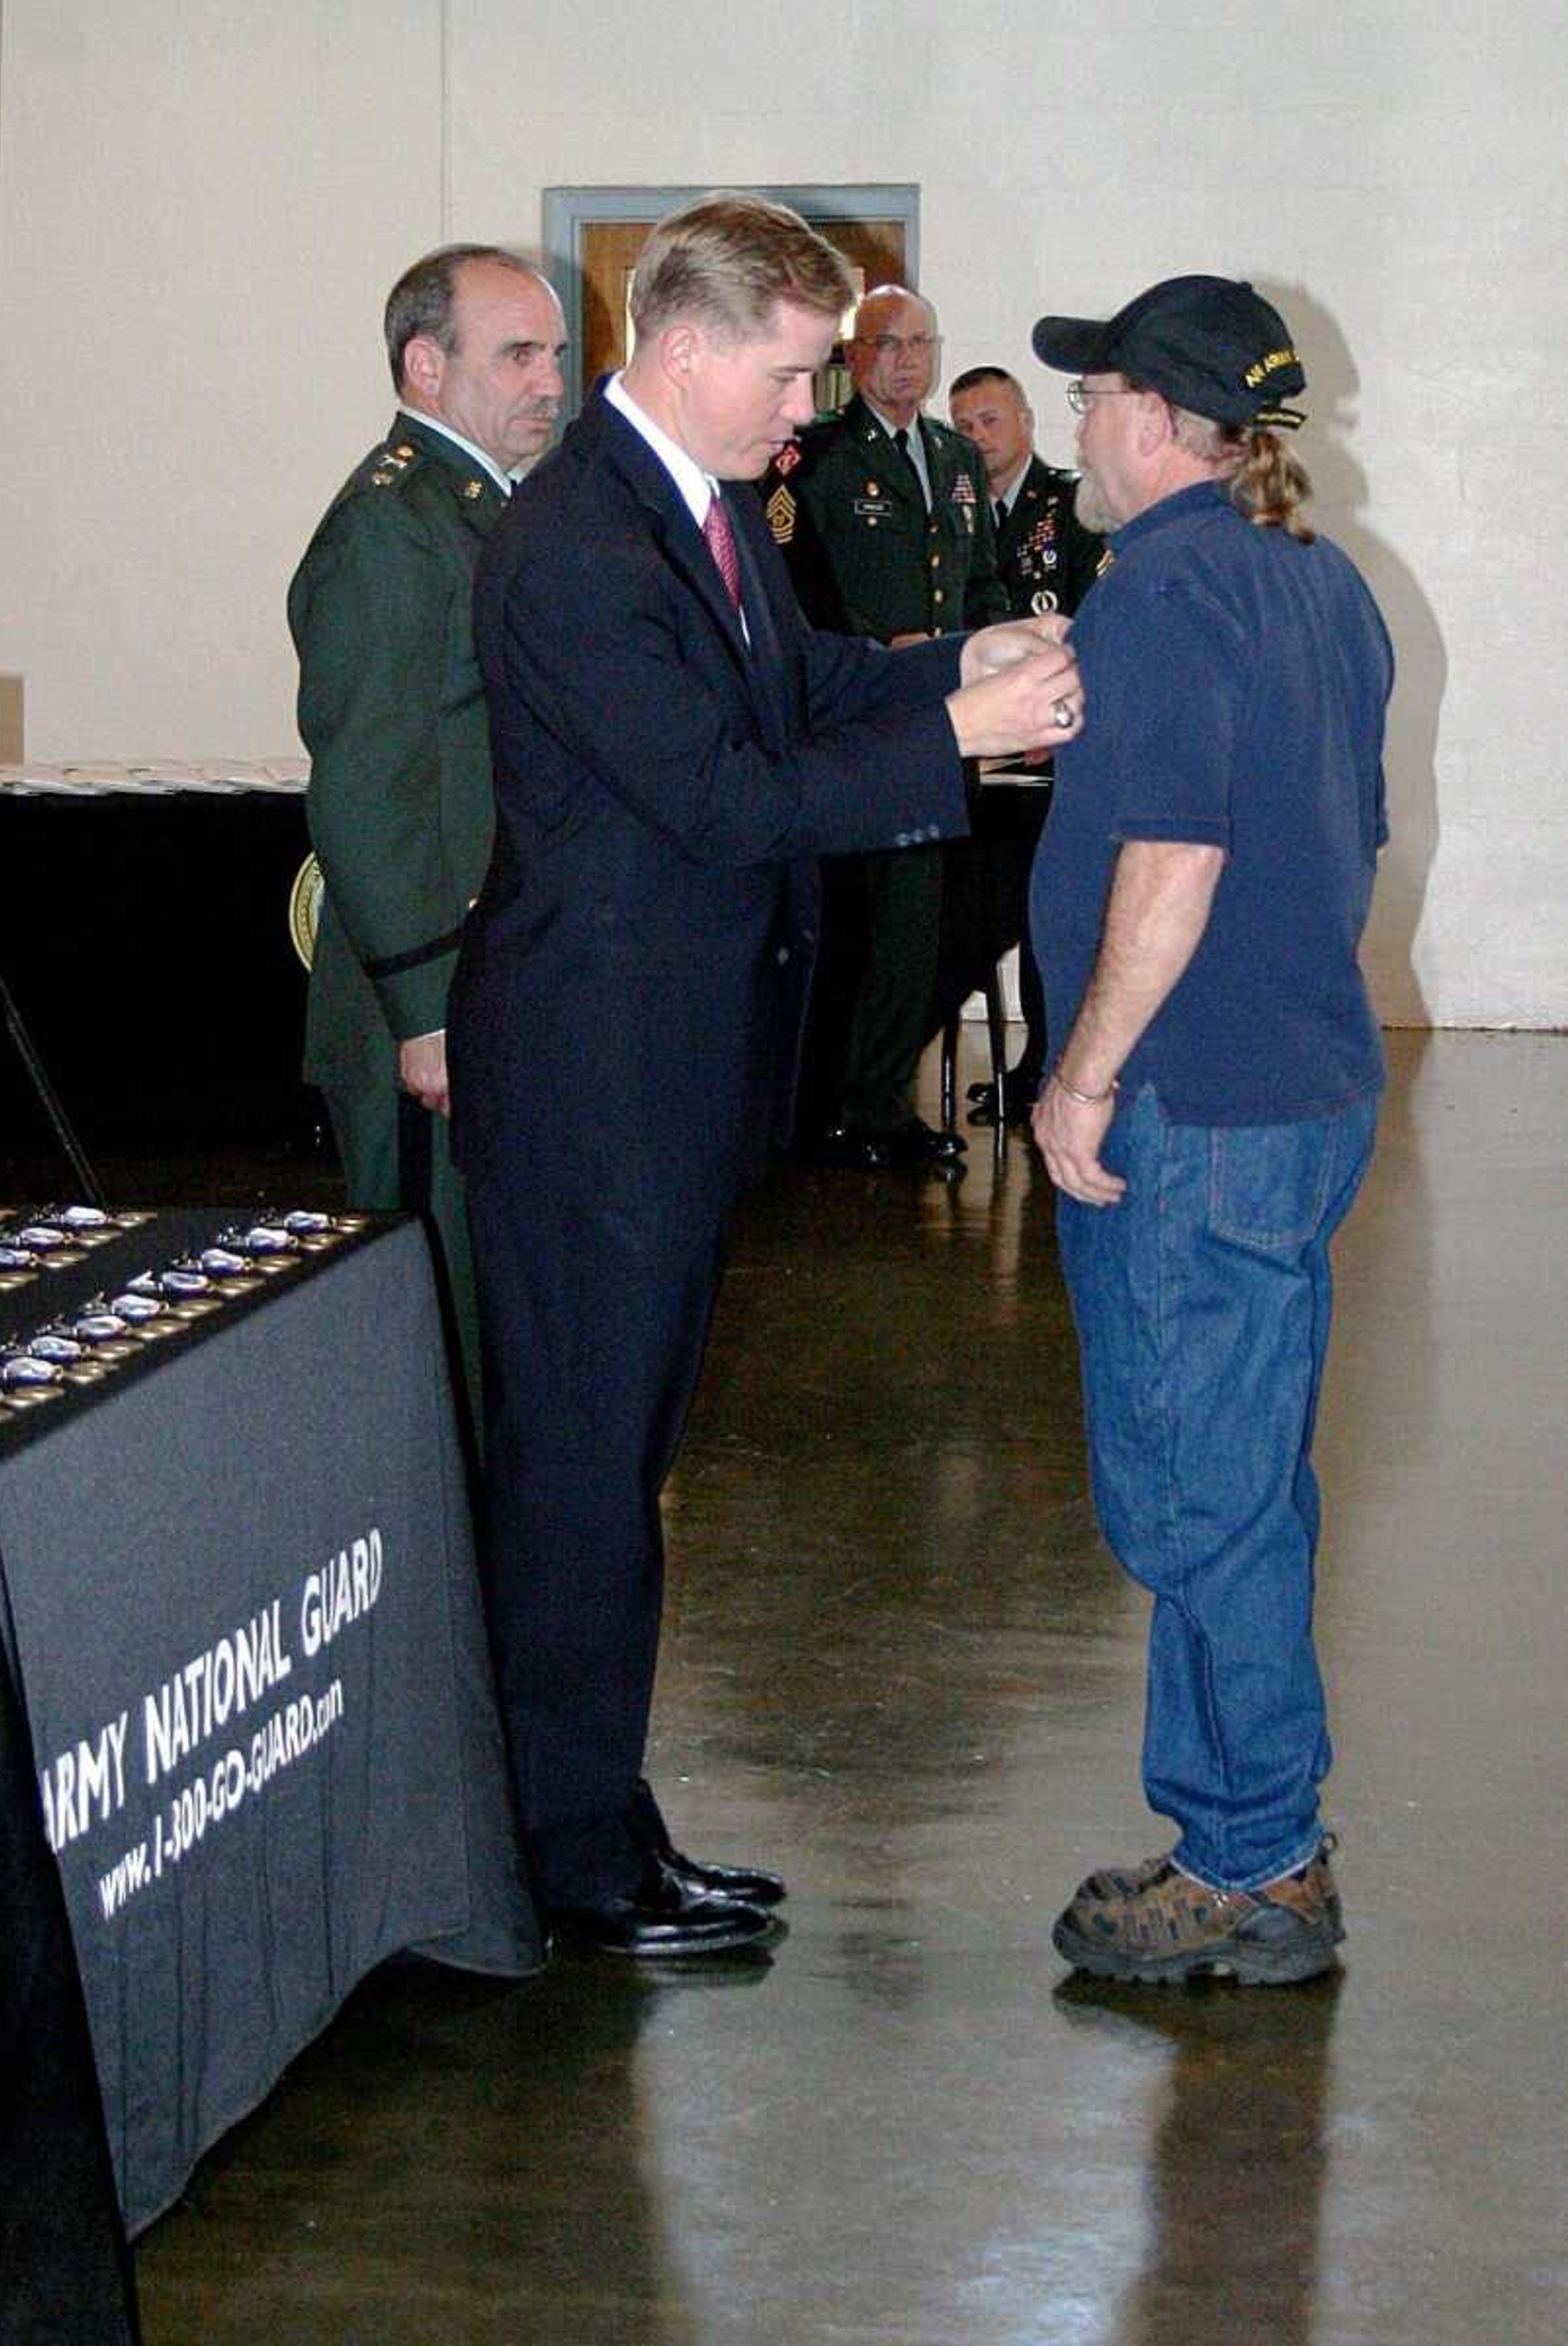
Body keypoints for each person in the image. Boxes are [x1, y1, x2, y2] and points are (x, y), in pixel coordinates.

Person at [449, 193, 1083, 1959]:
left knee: (608, 1464)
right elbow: (721, 798)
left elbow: (792, 681)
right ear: (690, 347)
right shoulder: (581, 544)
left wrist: (952, 656)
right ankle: (570, 1859)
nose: (809, 407)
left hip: (651, 1076)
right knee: (583, 1476)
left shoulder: (690, 503)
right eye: (795, 370)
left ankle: (590, 1814)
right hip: (592, 1088)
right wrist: (960, 734)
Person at [1027, 275, 1393, 1984]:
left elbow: (1174, 865)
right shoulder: (1322, 589)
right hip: (1302, 1090)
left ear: (1161, 422)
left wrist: (1086, 1072)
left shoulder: (1165, 593)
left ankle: (1255, 1859)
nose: (1075, 426)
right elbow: (1345, 834)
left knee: (1203, 1488)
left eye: (1094, 395)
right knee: (1241, 1467)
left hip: (1194, 1112)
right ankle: (1240, 1826)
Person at [288, 246, 565, 1442]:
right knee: (428, 1303)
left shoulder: (479, 512)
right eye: (518, 354)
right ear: (424, 362)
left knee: (487, 1304)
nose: (550, 381)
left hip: (493, 974)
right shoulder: (393, 530)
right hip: (434, 992)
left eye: (556, 353)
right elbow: (367, 788)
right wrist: (424, 1010)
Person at [764, 286, 1012, 1168]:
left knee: (919, 929)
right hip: (856, 726)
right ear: (854, 358)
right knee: (847, 929)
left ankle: (875, 1108)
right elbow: (794, 598)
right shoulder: (816, 458)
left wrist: (997, 653)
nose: (907, 361)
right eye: (888, 345)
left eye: (921, 344)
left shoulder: (952, 455)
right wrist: (877, 648)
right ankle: (826, 1107)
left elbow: (981, 580)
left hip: (943, 726)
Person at [935, 365, 1108, 1124]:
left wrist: (1057, 722)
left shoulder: (1070, 505)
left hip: (1051, 763)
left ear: (1027, 423)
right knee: (967, 913)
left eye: (991, 421)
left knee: (1049, 919)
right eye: (964, 425)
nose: (977, 437)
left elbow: (1093, 624)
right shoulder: (949, 508)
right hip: (976, 762)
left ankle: (1045, 1063)